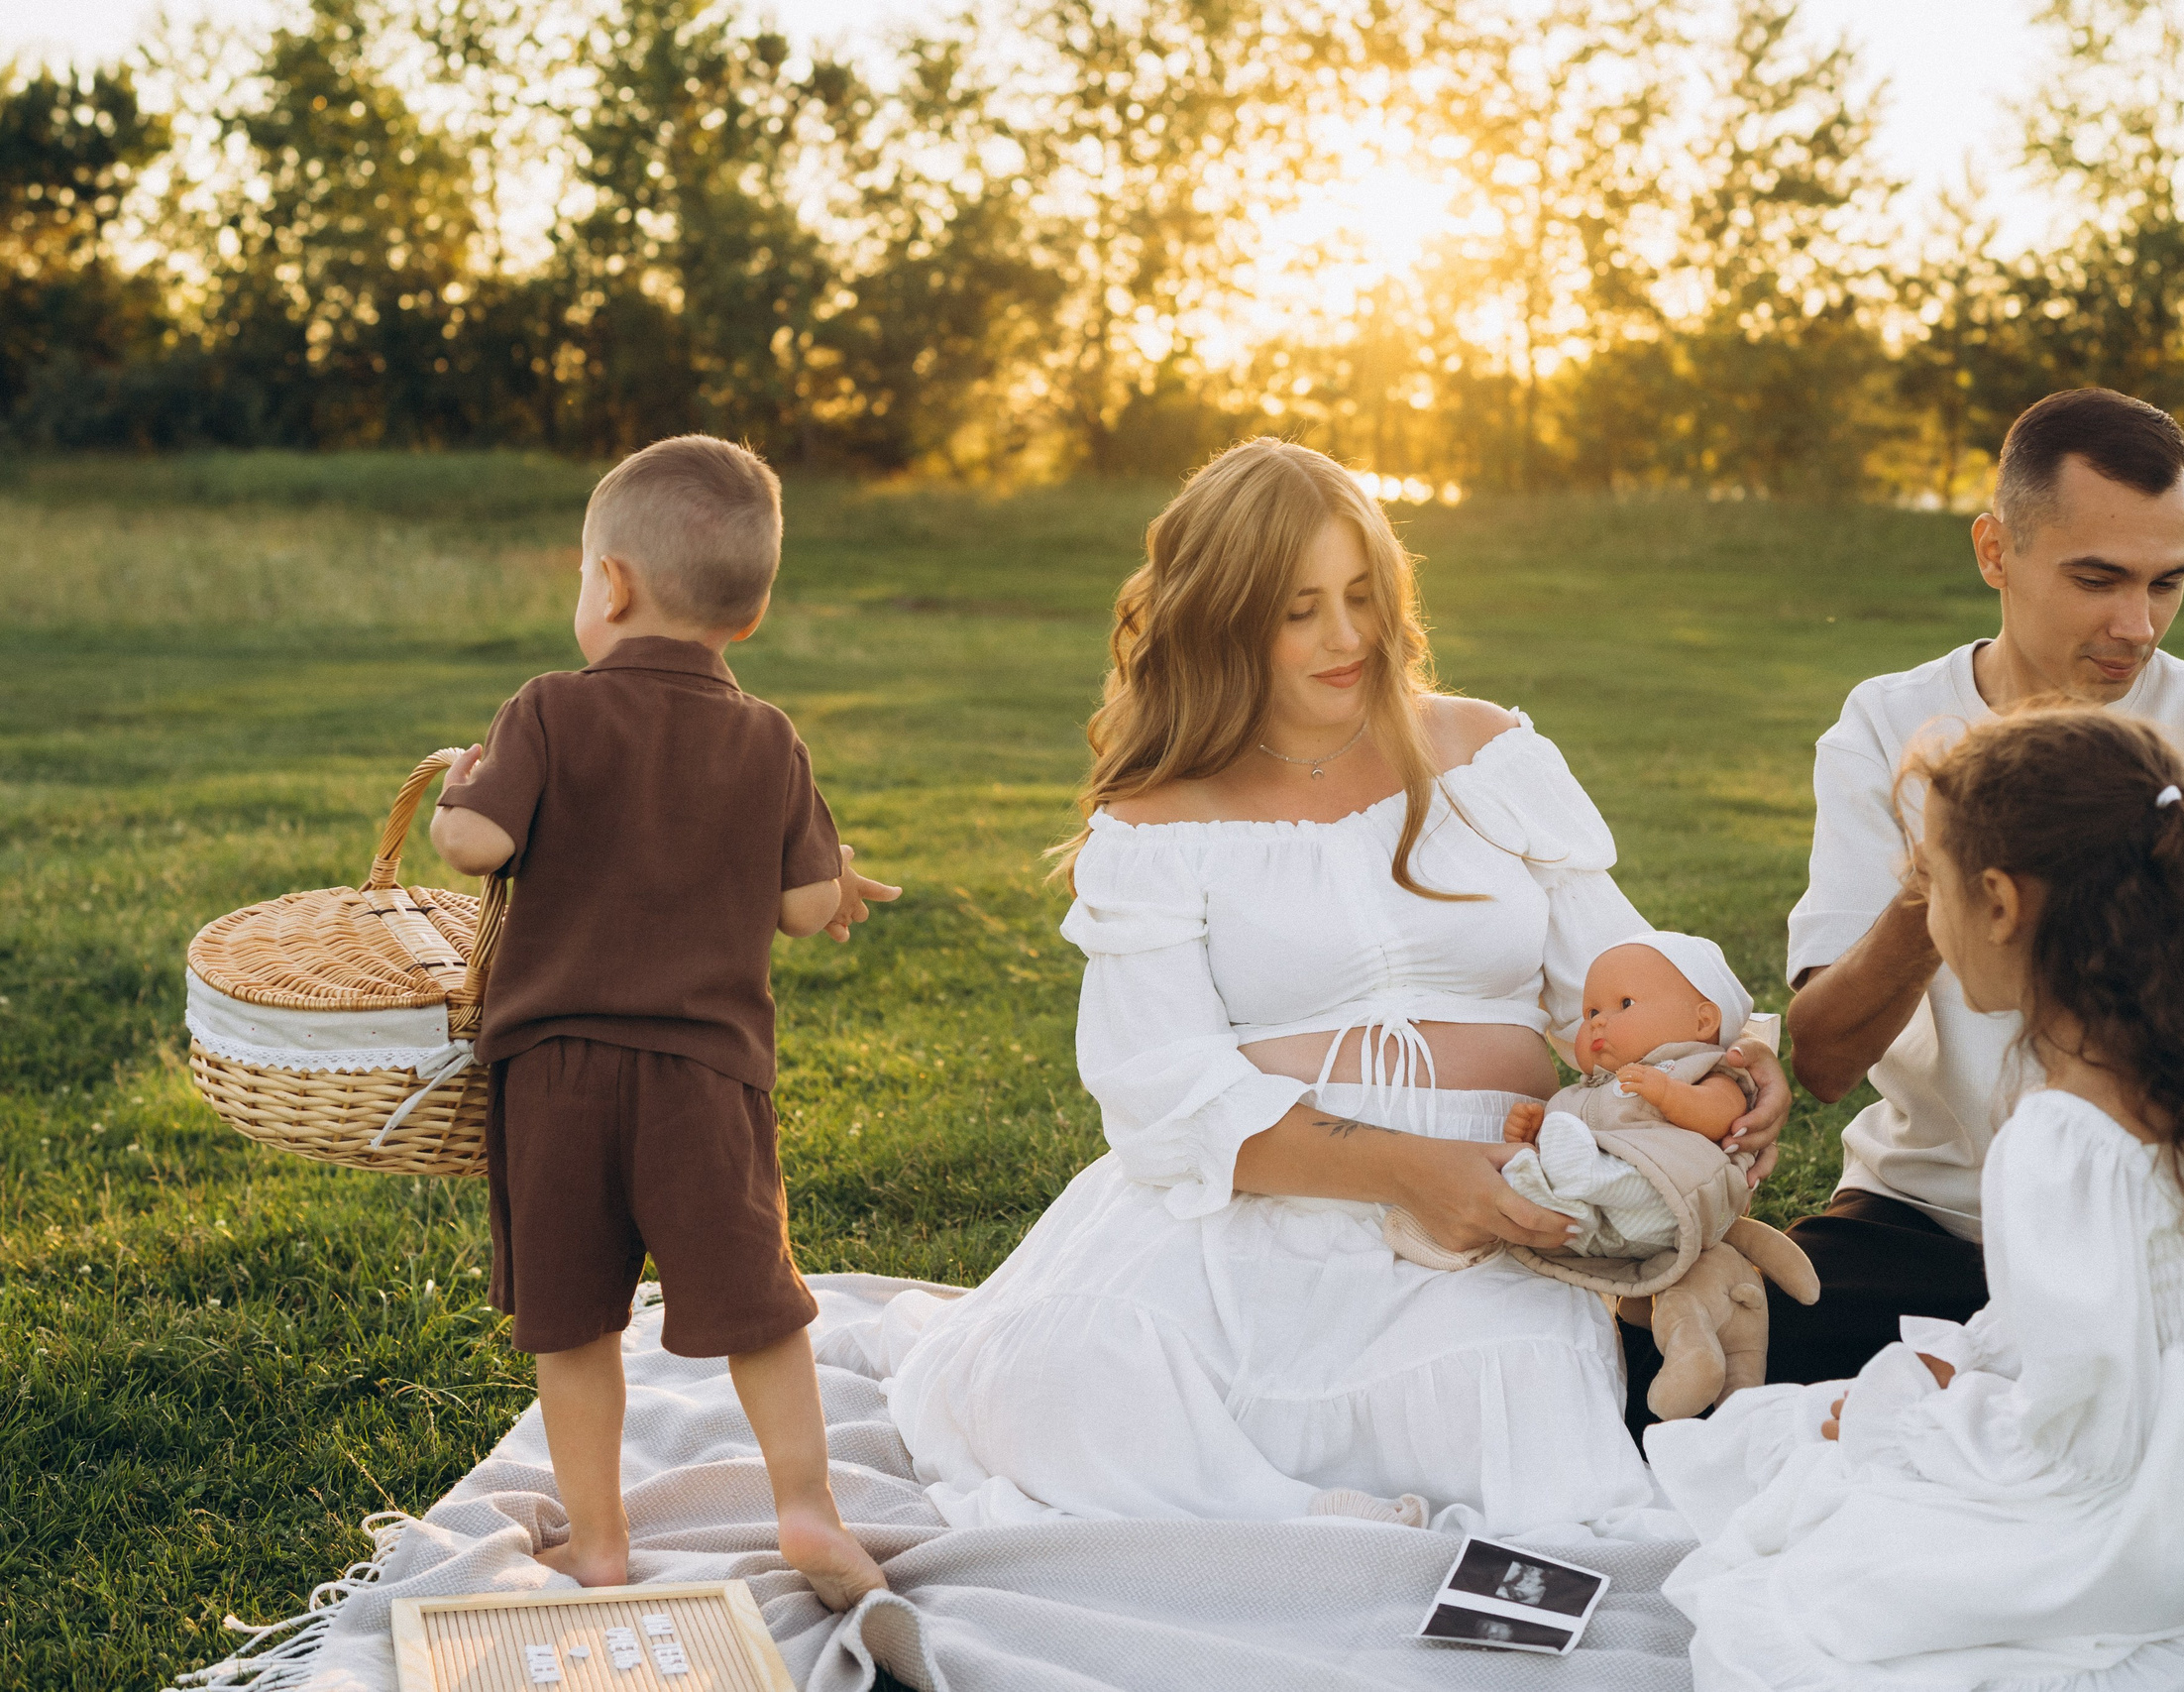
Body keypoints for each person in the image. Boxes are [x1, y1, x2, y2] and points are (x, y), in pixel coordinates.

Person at [878, 437, 1793, 1535]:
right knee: (1062, 1390)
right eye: (1300, 609)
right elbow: (1158, 1089)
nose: (1348, 637)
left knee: (1500, 1418)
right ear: (1222, 619)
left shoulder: (1484, 753)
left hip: (1495, 1187)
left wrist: (1734, 1065)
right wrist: (1404, 1171)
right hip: (1262, 1189)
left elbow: (1624, 981)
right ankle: (1313, 1537)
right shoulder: (1162, 821)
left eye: (1363, 596)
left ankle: (1344, 1534)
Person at [1773, 387, 2184, 1559]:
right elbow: (1823, 1058)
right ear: (1996, 548)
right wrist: (1936, 876)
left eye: (2167, 581)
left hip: (2165, 1248)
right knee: (1675, 1396)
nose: (2137, 625)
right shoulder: (1888, 729)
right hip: (1926, 1223)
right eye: (2097, 579)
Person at [1650, 706, 2184, 1691]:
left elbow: (2061, 1428)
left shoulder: (2063, 1135)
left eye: (1929, 883)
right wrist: (1955, 1373)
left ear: (1995, 901)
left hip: (2133, 1537)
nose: (1927, 915)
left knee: (1786, 1582)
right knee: (1823, 1438)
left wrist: (1909, 1419)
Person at [431, 435, 900, 1606]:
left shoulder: (544, 711)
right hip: (706, 1081)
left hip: (558, 1075)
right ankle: (805, 1506)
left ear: (613, 585)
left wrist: (458, 789)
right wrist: (834, 876)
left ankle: (599, 1545)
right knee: (758, 1304)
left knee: (575, 1322)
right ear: (745, 615)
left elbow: (474, 844)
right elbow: (800, 909)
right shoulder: (769, 738)